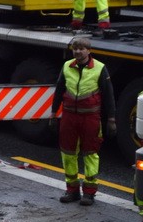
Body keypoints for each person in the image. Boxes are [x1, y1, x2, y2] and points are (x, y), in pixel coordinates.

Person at [50, 36, 116, 205]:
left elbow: (109, 96)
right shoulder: (67, 66)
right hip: (69, 116)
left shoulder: (100, 68)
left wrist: (111, 119)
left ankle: (89, 193)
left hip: (90, 117)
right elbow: (59, 90)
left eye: (81, 48)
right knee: (68, 153)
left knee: (90, 154)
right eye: (75, 48)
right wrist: (52, 113)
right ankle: (72, 190)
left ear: (89, 50)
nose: (78, 51)